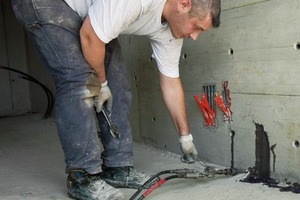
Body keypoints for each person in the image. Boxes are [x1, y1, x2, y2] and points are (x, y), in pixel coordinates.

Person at [11, 0, 221, 199]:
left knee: (117, 80)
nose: (194, 37)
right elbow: (90, 36)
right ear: (184, 4)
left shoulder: (172, 29)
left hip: (89, 12)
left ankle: (117, 167)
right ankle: (81, 177)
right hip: (49, 4)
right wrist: (101, 85)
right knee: (79, 80)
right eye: (197, 28)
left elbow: (171, 83)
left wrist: (186, 137)